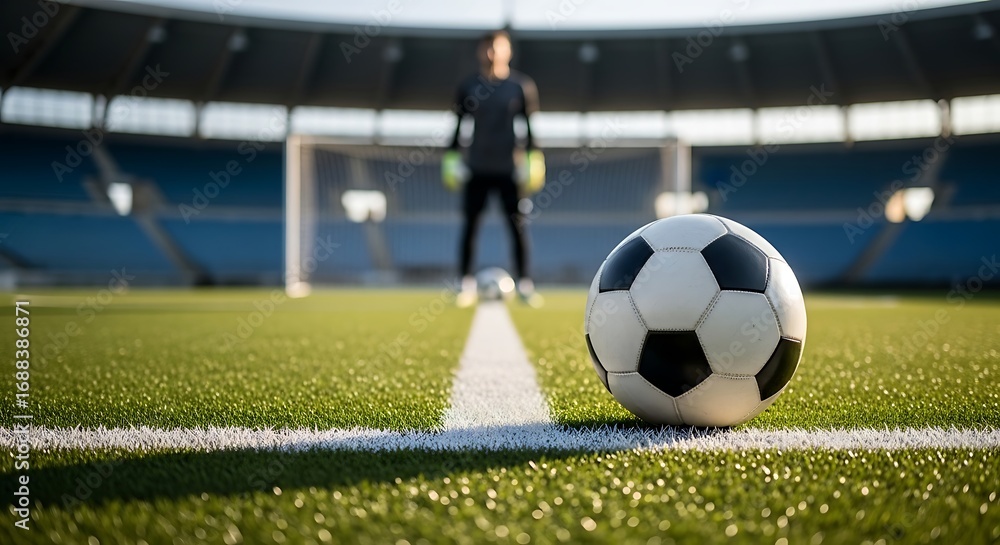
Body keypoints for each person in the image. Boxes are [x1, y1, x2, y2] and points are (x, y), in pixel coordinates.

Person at [444, 30, 544, 308]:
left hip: (509, 170)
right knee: (470, 226)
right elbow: (458, 125)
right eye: (487, 48)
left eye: (497, 47)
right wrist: (451, 158)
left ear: (507, 51)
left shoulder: (520, 86)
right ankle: (464, 284)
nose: (491, 53)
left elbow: (529, 126)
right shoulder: (468, 86)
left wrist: (533, 158)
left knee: (518, 227)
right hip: (476, 168)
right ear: (480, 52)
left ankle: (525, 284)